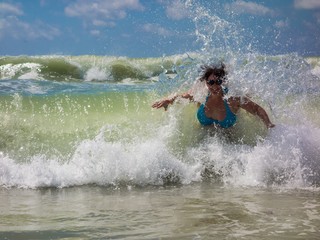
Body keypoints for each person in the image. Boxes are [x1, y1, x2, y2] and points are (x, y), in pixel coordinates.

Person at [152, 63, 275, 129]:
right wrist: (168, 100)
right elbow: (182, 96)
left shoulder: (232, 99)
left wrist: (268, 124)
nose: (215, 86)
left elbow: (256, 109)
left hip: (228, 136)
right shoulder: (200, 94)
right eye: (211, 82)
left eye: (218, 82)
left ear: (223, 82)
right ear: (206, 82)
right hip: (204, 134)